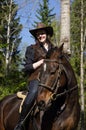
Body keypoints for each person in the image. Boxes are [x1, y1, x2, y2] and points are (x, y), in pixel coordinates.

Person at [14, 22, 54, 130]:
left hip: (50, 78)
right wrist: (40, 62)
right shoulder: (31, 48)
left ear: (46, 34)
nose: (41, 36)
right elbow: (27, 67)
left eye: (43, 33)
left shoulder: (53, 48)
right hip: (36, 78)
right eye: (38, 34)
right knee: (33, 93)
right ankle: (21, 123)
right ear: (36, 36)